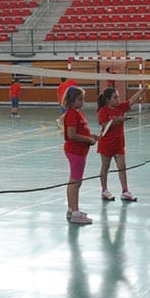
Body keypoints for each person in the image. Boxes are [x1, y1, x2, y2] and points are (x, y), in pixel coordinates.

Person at [97, 86, 145, 202]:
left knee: (122, 167)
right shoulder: (103, 110)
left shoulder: (120, 108)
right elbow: (104, 126)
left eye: (118, 97)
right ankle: (104, 190)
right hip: (106, 144)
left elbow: (131, 101)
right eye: (115, 98)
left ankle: (125, 191)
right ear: (108, 100)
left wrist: (142, 90)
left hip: (119, 144)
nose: (118, 100)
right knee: (105, 167)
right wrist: (117, 120)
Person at [62, 86, 97, 225]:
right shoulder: (71, 114)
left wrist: (91, 136)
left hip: (80, 151)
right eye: (80, 99)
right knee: (75, 182)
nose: (82, 102)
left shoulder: (77, 113)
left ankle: (71, 210)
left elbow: (81, 131)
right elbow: (71, 135)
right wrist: (88, 140)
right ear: (72, 101)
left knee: (74, 181)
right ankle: (75, 213)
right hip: (75, 151)